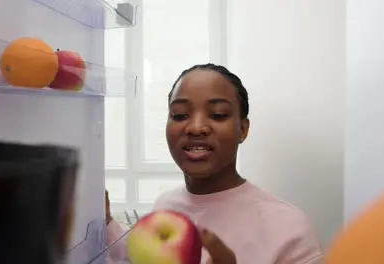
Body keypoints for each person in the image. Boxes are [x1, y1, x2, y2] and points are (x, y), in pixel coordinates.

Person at [105, 63, 322, 264]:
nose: (196, 127)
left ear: (243, 129)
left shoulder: (288, 226)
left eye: (218, 115)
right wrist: (105, 222)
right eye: (180, 115)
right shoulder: (165, 206)